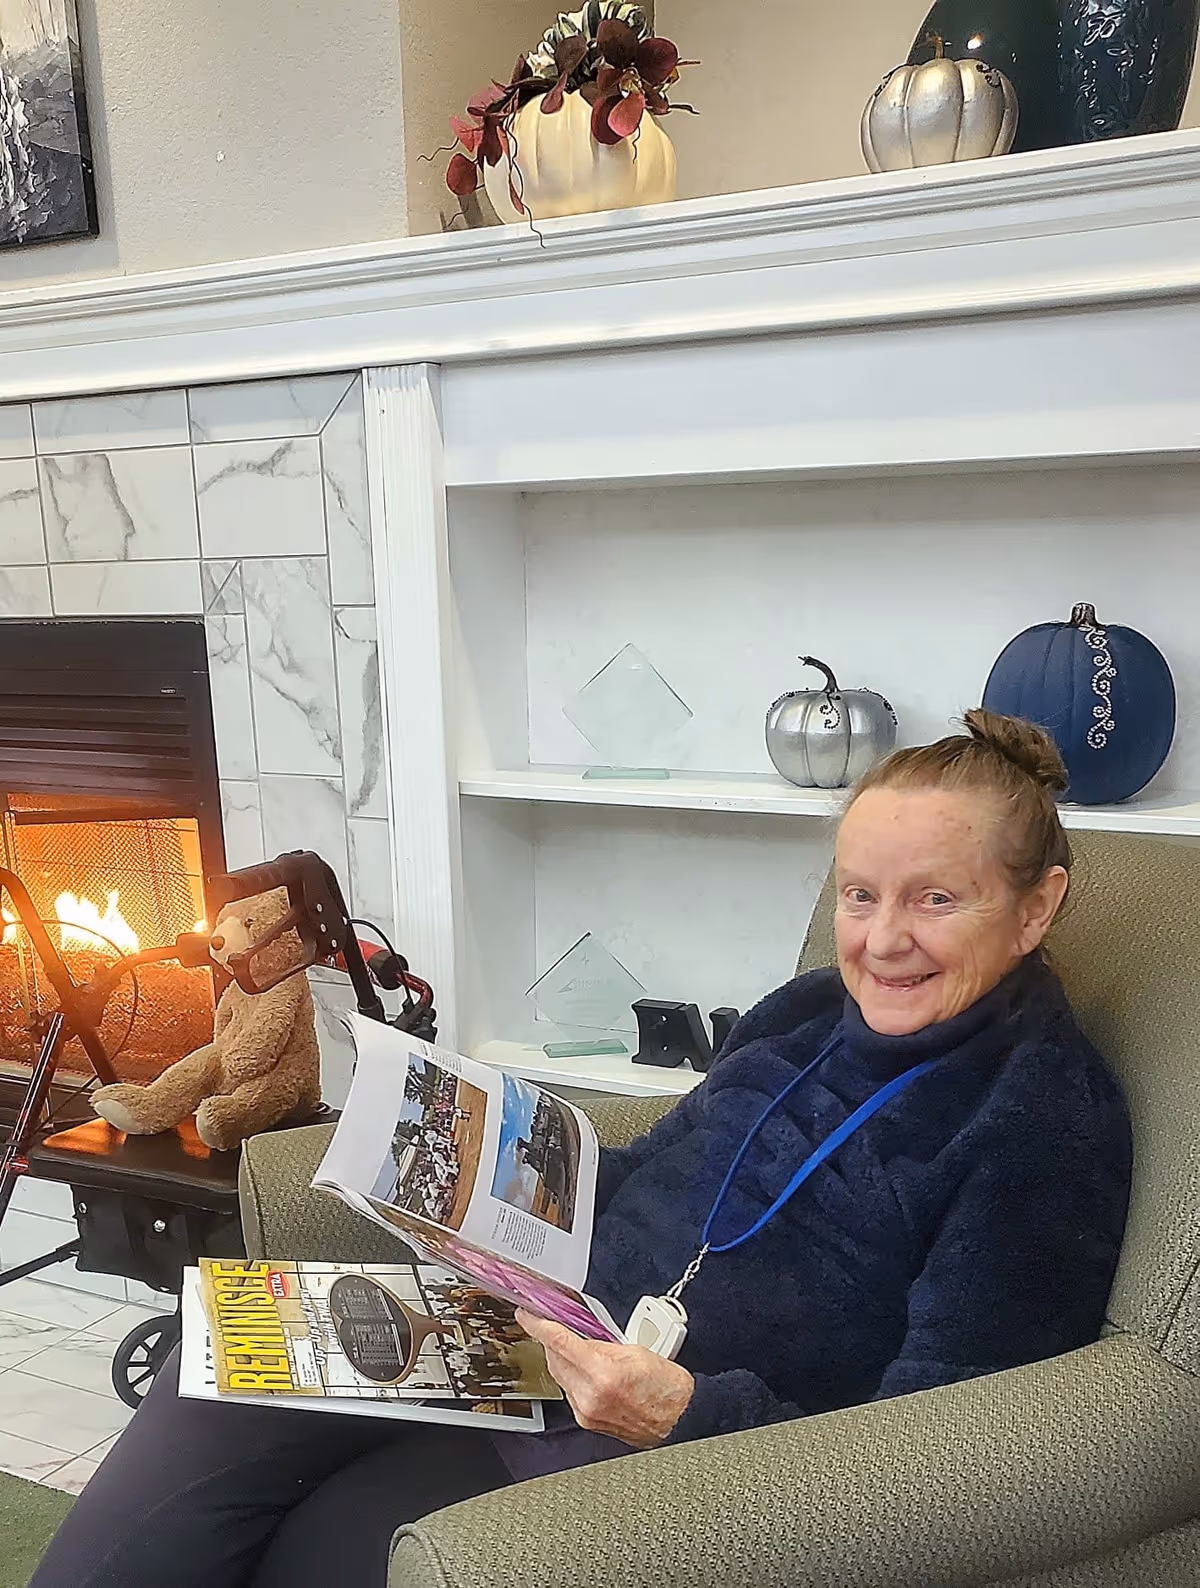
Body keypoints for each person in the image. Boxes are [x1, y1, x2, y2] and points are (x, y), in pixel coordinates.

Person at [30, 709, 1132, 1588]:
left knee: (321, 1546)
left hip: (673, 1449)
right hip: (530, 1340)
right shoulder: (809, 1007)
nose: (883, 937)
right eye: (860, 894)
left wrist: (691, 1409)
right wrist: (498, 1172)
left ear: (1037, 909)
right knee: (217, 1365)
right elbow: (672, 1163)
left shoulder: (1038, 1127)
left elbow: (951, 1459)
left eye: (936, 898)